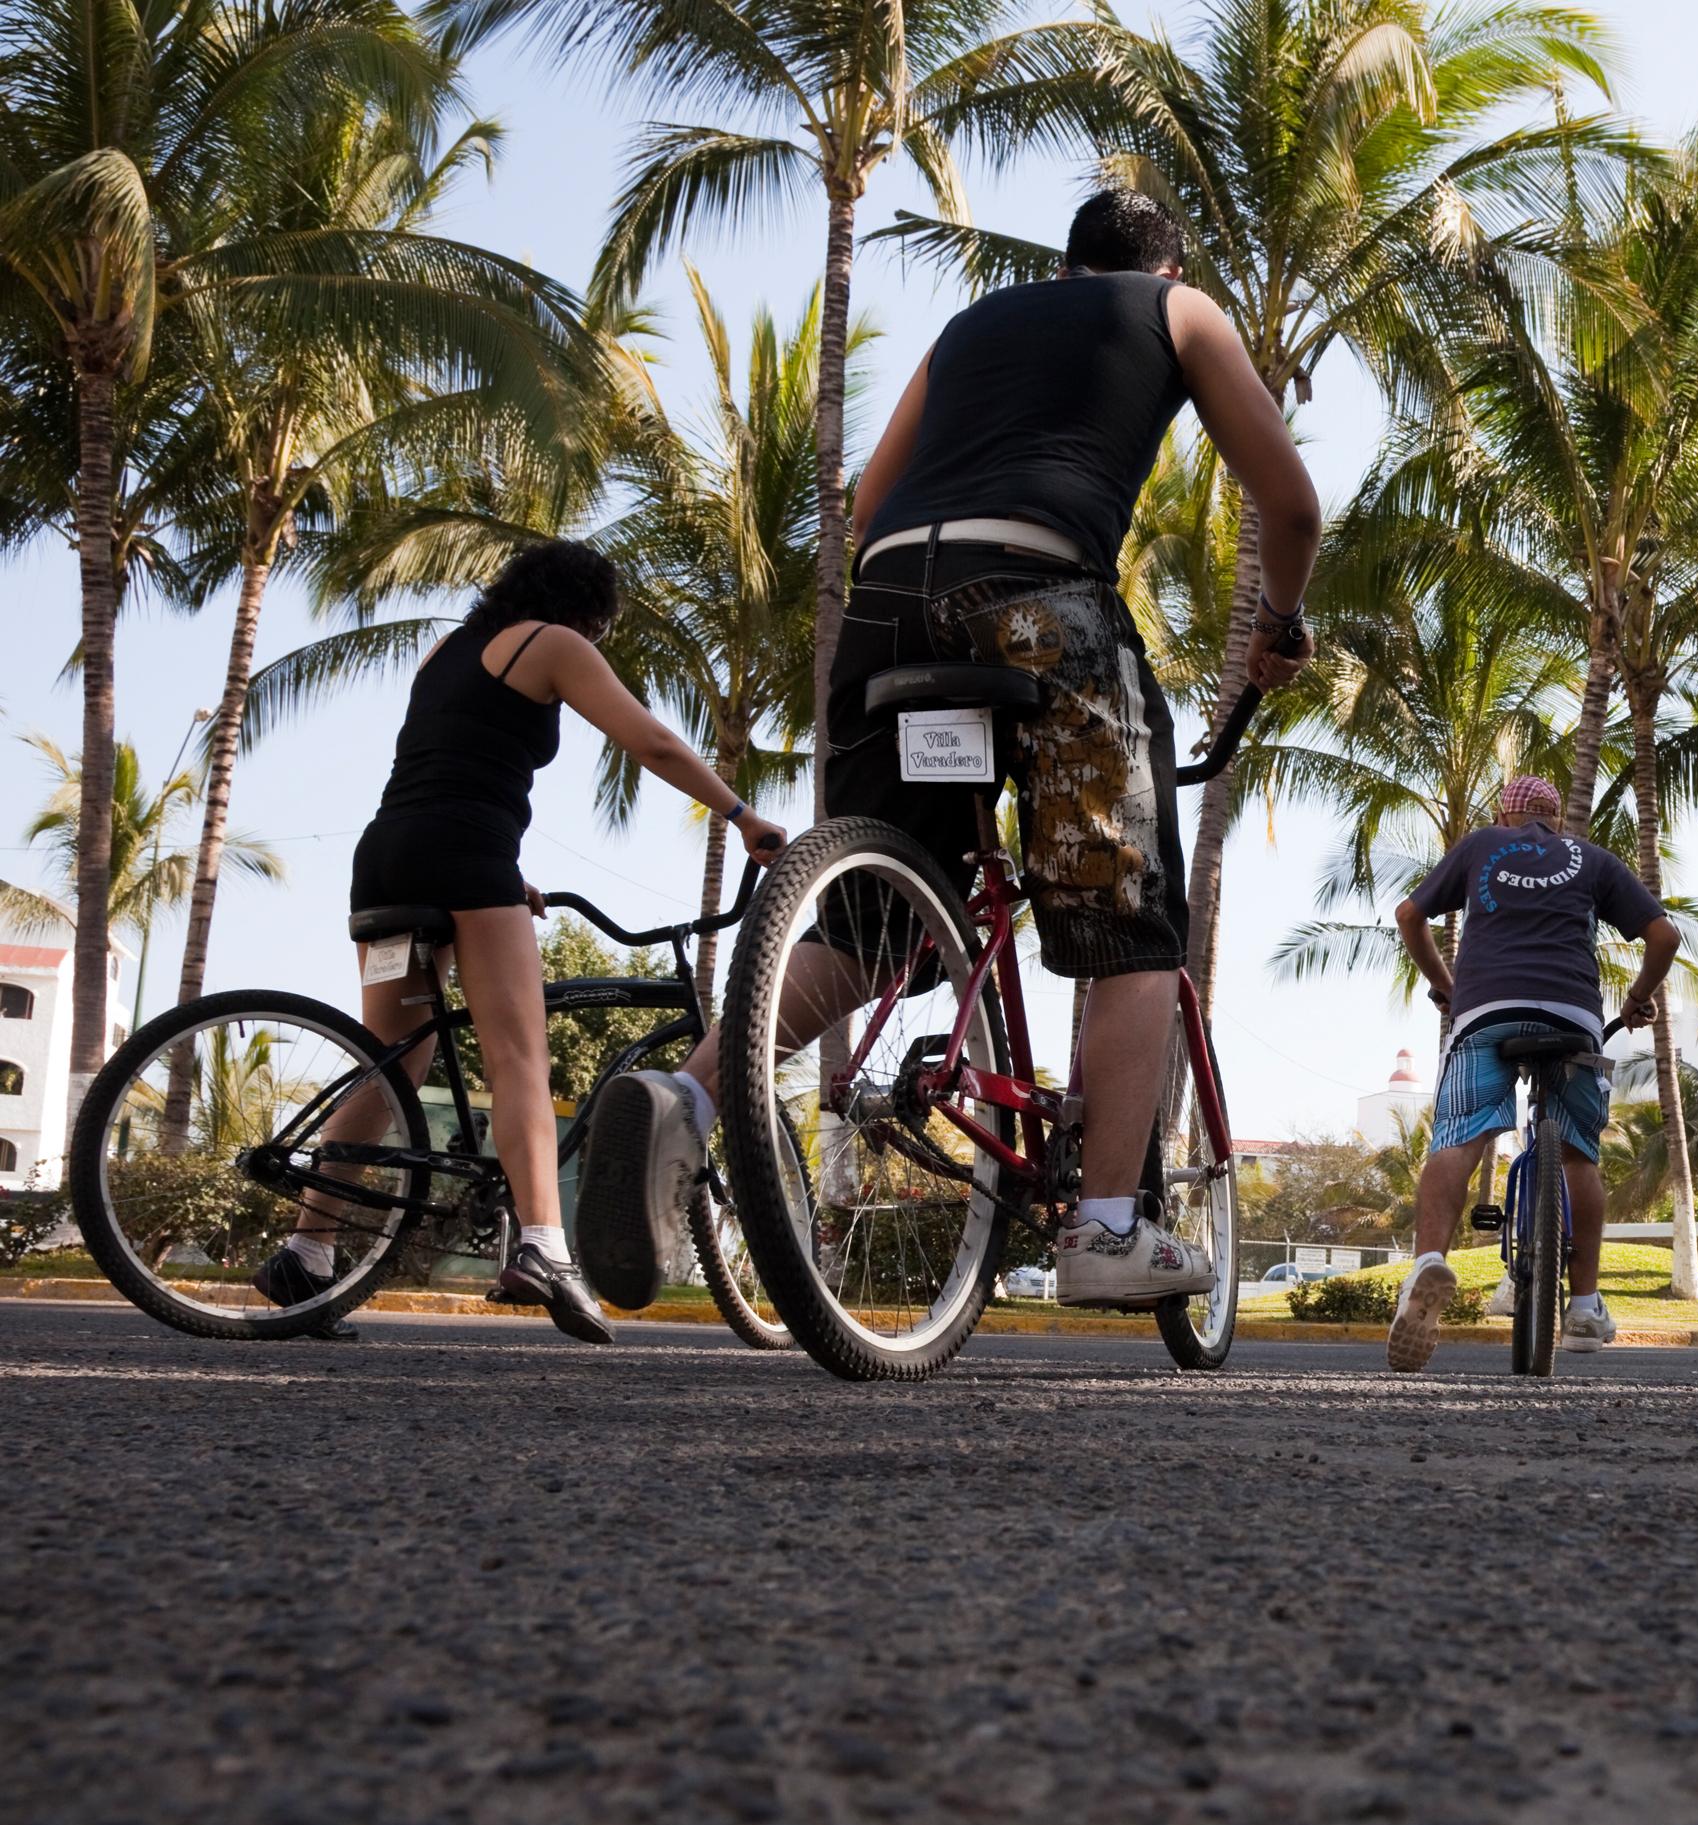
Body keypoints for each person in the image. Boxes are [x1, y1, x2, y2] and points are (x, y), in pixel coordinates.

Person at [574, 188, 1321, 1307]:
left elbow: (871, 499)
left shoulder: (970, 326)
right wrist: (1277, 625)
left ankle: (685, 1100)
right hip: (1038, 598)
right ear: (1164, 271)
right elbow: (1292, 506)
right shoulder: (1181, 312)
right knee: (1128, 923)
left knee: (875, 924)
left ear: (1064, 268)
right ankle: (1108, 1227)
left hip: (887, 608)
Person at [261, 540, 786, 1343]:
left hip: (392, 854)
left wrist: (509, 877)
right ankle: (543, 1245)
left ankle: (308, 1249)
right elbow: (650, 742)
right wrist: (743, 816)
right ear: (586, 610)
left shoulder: (446, 649)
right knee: (519, 1057)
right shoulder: (552, 644)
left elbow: (452, 760)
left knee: (392, 1057)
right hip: (466, 854)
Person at [1384, 777, 1683, 1369]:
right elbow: (1664, 935)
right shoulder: (1591, 858)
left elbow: (1409, 916)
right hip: (1573, 1015)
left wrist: (1450, 987)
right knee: (1578, 1155)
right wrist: (1637, 997)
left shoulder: (1480, 846)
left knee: (1461, 1136)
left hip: (1486, 1012)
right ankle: (1585, 1307)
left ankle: (1424, 1267)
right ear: (1556, 819)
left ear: (1505, 815)